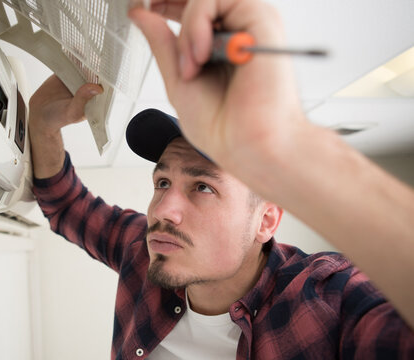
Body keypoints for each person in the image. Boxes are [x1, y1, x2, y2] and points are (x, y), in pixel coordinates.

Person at [28, 0, 414, 358]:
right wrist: (43, 125)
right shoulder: (144, 250)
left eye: (203, 187)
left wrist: (295, 146)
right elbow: (66, 205)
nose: (162, 210)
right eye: (162, 182)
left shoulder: (329, 301)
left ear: (265, 220)